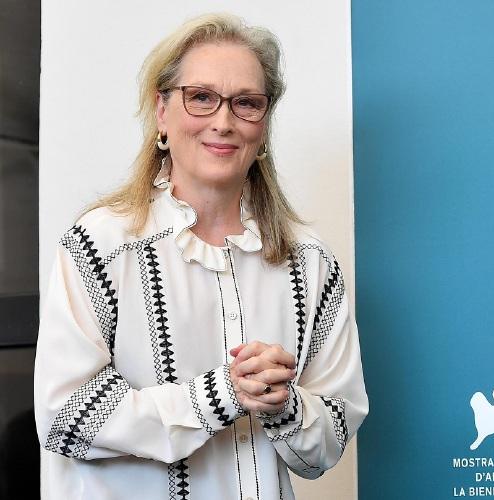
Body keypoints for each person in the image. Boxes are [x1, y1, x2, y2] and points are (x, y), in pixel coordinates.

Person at [34, 13, 368, 500]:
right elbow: (65, 418)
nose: (223, 122)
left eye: (246, 103)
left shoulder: (311, 263)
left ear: (264, 125)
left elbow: (330, 442)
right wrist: (221, 394)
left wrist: (283, 405)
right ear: (162, 111)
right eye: (201, 97)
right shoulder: (99, 245)